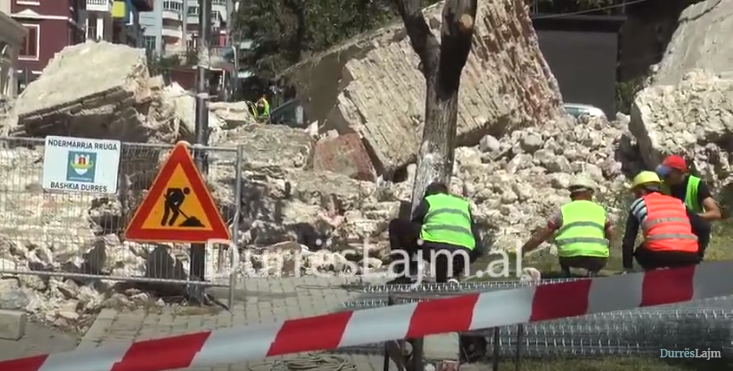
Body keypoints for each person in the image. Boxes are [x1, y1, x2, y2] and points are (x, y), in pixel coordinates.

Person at [387, 181, 482, 284]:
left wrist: (411, 252)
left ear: (428, 193)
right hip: (463, 252)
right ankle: (452, 276)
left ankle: (403, 274)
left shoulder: (429, 200)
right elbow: (478, 241)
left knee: (396, 225)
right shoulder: (463, 204)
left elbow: (415, 226)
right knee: (447, 260)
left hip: (434, 247)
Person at [520, 176, 612, 277]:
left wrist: (524, 249)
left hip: (570, 257)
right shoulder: (600, 210)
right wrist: (606, 245)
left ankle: (566, 276)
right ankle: (592, 275)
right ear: (590, 193)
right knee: (598, 260)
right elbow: (610, 233)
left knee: (562, 252)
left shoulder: (564, 210)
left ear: (572, 194)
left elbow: (543, 235)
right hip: (597, 256)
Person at [621, 171, 705, 272]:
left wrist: (627, 267)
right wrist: (698, 255)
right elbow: (704, 227)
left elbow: (628, 241)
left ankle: (654, 279)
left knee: (639, 253)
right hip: (690, 254)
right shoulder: (678, 203)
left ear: (641, 191)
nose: (635, 196)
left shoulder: (639, 203)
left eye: (635, 192)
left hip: (659, 255)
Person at [656, 155, 718, 258]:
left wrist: (690, 217)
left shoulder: (696, 185)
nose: (664, 176)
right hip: (671, 231)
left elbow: (715, 213)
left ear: (680, 172)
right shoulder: (662, 186)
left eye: (667, 174)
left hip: (695, 232)